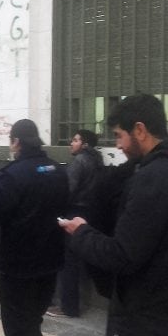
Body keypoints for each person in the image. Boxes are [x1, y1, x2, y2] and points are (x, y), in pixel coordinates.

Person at [59, 94, 168, 336]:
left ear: (140, 130)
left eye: (119, 135)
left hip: (149, 321)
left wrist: (81, 232)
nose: (118, 145)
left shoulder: (154, 177)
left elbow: (123, 254)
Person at [0, 119, 69, 336]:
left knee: (19, 328)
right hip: (51, 262)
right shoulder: (58, 170)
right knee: (33, 321)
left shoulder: (12, 175)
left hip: (19, 267)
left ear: (16, 142)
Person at [48, 129, 103, 319]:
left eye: (76, 140)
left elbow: (69, 189)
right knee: (79, 262)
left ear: (85, 144)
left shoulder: (80, 161)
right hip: (90, 213)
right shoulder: (98, 160)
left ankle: (68, 307)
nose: (71, 143)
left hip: (74, 212)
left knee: (69, 262)